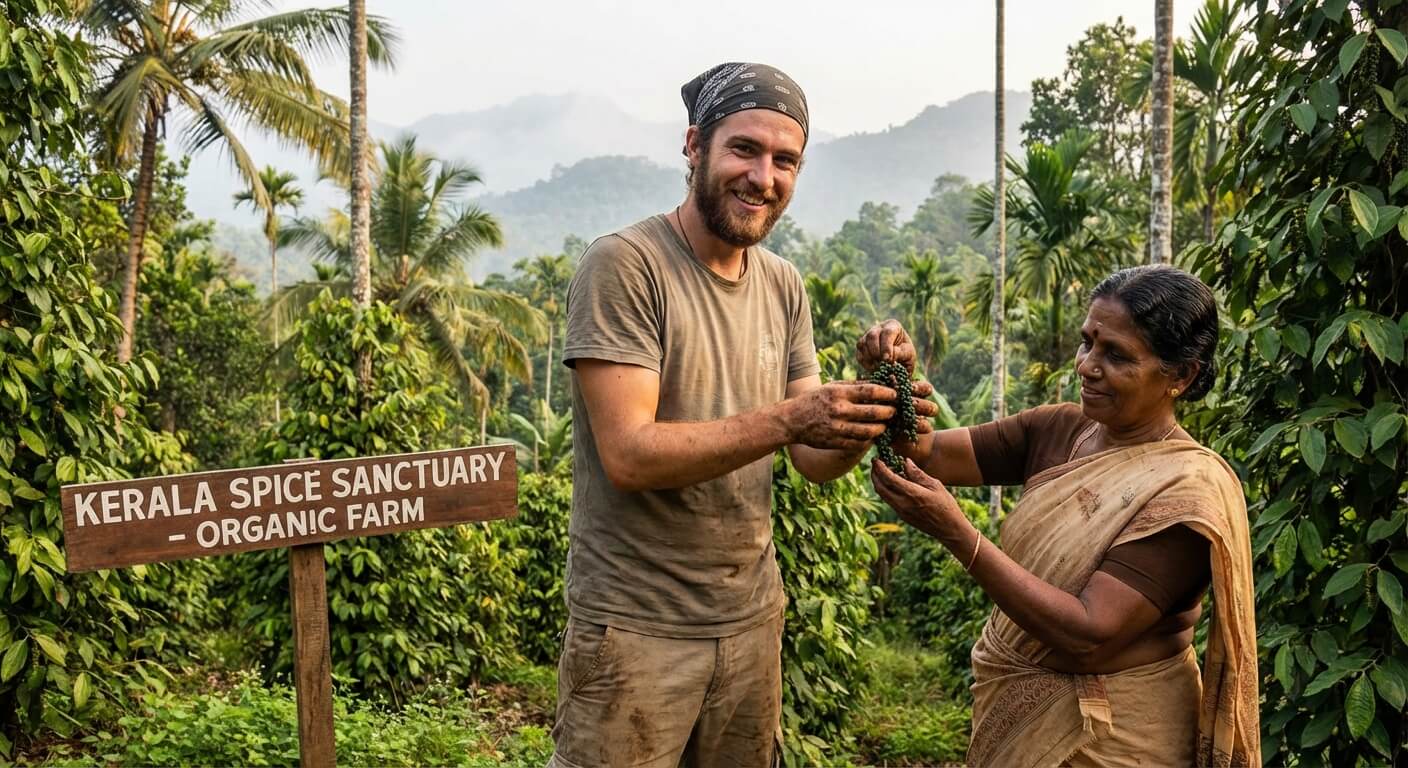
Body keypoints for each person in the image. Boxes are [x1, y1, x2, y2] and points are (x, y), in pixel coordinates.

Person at [550, 62, 938, 768]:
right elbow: (629, 455)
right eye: (744, 150)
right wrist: (792, 419)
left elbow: (813, 460)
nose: (764, 178)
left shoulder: (783, 283)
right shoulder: (626, 266)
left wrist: (870, 403)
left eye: (785, 161)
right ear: (694, 146)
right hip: (636, 631)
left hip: (752, 622)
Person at [862, 264, 1259, 767]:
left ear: (1181, 376)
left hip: (1118, 741)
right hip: (1018, 723)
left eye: (1116, 355)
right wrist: (893, 375)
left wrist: (959, 535)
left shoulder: (1185, 490)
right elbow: (924, 451)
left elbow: (1088, 637)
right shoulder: (1058, 430)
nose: (1088, 366)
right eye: (1087, 342)